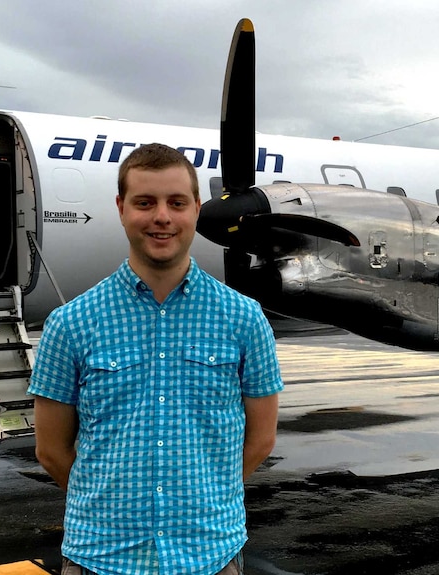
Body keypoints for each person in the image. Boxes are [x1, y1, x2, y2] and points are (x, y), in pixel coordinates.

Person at [30, 143, 284, 575]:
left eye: (176, 203)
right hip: (100, 559)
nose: (161, 217)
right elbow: (51, 450)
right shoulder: (70, 323)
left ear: (197, 209)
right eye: (145, 203)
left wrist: (207, 498)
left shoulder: (244, 318)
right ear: (121, 208)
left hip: (209, 558)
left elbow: (261, 440)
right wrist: (107, 509)